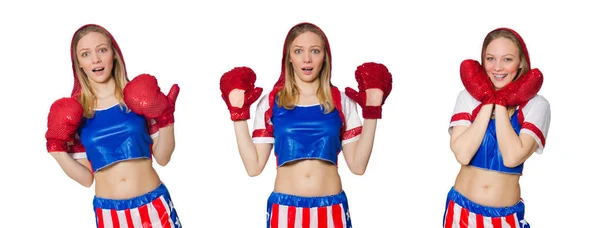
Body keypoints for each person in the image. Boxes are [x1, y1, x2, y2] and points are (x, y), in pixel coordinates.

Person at [219, 22, 392, 228]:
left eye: (315, 51)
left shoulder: (341, 101)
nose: (307, 59)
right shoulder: (271, 102)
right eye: (299, 51)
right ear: (289, 57)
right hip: (285, 210)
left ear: (325, 57)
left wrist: (372, 111)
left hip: (331, 208)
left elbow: (358, 166)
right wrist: (238, 114)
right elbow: (253, 167)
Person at [44, 24, 182, 227]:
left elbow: (163, 157)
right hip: (110, 214)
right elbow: (85, 179)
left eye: (102, 50)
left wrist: (166, 118)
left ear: (114, 54)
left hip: (154, 207)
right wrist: (56, 149)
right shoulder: (76, 112)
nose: (96, 59)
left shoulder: (139, 96)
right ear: (78, 64)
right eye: (85, 54)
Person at [444, 27, 551, 227]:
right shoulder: (467, 97)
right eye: (490, 59)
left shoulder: (537, 105)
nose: (498, 67)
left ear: (520, 63)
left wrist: (501, 101)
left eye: (507, 59)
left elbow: (512, 157)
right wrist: (487, 99)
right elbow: (463, 155)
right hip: (460, 213)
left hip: (504, 218)